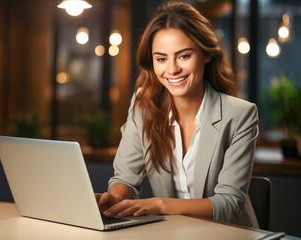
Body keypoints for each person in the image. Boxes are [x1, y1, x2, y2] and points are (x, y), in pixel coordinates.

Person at [96, 1, 259, 228]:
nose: (171, 69)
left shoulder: (240, 114)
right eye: (161, 58)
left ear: (206, 54)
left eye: (183, 56)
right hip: (173, 233)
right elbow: (125, 178)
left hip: (229, 234)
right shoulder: (143, 106)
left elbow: (228, 205)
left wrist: (160, 205)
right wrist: (116, 199)